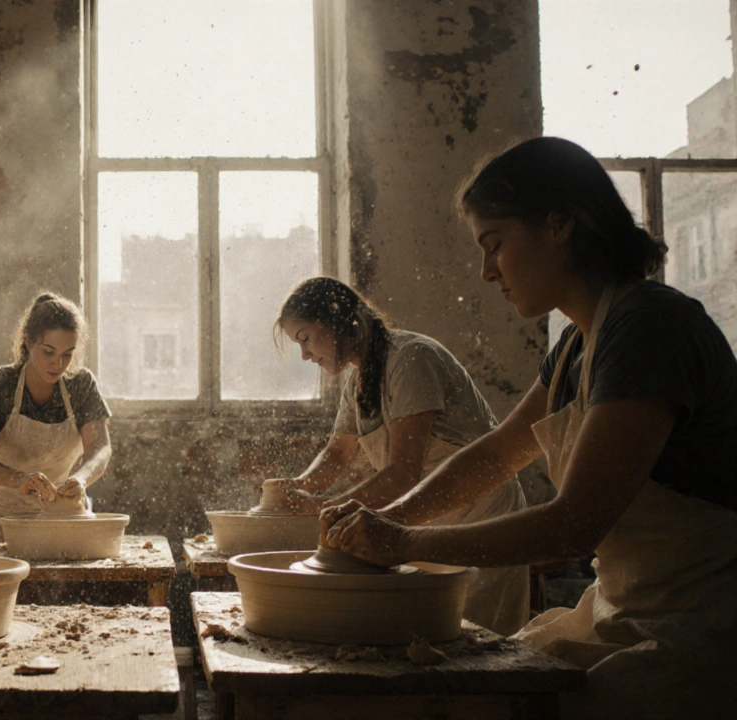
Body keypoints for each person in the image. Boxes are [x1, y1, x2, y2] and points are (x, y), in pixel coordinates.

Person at [319, 137, 737, 718]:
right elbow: (498, 454)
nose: (486, 272)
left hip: (700, 626)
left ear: (559, 224)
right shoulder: (576, 345)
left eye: (495, 245)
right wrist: (392, 518)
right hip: (624, 610)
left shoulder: (649, 327)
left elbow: (574, 524)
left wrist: (403, 544)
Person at [265, 277, 528, 635]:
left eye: (305, 338)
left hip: (480, 519)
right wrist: (295, 489)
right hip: (425, 521)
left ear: (335, 320)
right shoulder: (357, 381)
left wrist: (326, 508)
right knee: (428, 643)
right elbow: (337, 453)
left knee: (478, 647)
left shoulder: (410, 359)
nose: (305, 355)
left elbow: (403, 473)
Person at [0, 293, 112, 543]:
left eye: (67, 354)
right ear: (28, 341)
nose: (58, 364)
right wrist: (18, 479)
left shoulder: (81, 385)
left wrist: (81, 478)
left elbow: (100, 447)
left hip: (57, 518)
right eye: (48, 352)